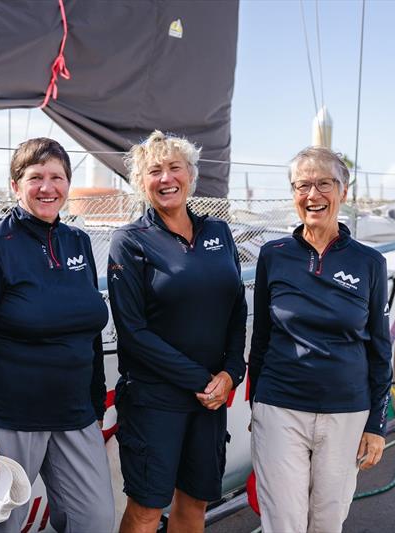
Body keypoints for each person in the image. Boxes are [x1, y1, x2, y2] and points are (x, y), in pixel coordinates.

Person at [0, 138, 114, 532]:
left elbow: (88, 329)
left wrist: (95, 403)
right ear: (15, 185)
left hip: (75, 416)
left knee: (95, 521)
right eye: (35, 177)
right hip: (12, 420)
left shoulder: (78, 241)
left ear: (67, 184)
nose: (47, 187)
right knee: (2, 526)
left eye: (57, 177)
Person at [108, 130, 247, 533]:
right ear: (141, 182)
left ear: (191, 175)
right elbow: (132, 332)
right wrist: (203, 380)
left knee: (195, 502)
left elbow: (236, 306)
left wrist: (231, 373)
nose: (166, 178)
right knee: (147, 509)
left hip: (211, 400)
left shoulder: (218, 233)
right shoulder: (129, 242)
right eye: (154, 171)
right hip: (156, 399)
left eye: (174, 168)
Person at [248, 146, 393, 533]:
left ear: (343, 191)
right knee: (283, 521)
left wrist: (378, 425)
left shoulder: (370, 263)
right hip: (280, 408)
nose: (313, 195)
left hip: (346, 413)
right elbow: (261, 335)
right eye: (303, 185)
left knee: (328, 520)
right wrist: (256, 405)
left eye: (324, 184)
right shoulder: (273, 254)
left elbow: (380, 348)